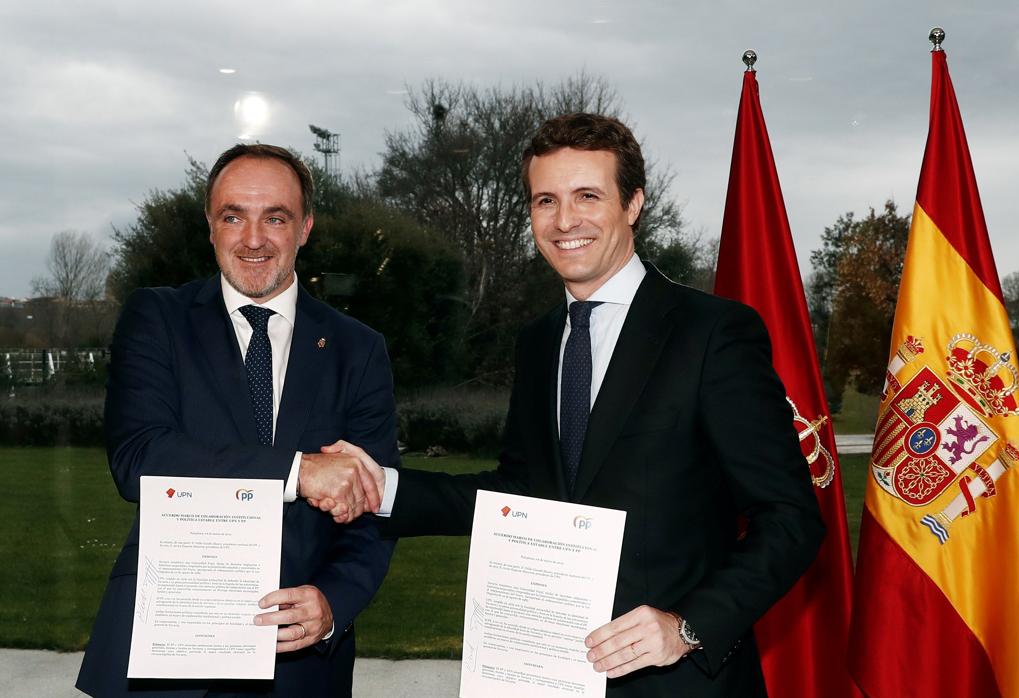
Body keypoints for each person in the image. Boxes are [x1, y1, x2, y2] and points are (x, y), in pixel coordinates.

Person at [356, 113, 825, 696]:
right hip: (548, 673)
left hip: (678, 683)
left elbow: (791, 520)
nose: (564, 220)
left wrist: (687, 627)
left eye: (587, 196)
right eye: (545, 200)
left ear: (633, 204)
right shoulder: (538, 341)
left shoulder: (712, 334)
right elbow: (521, 491)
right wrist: (382, 489)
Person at [76, 144, 397, 697]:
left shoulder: (358, 350)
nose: (253, 238)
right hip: (165, 658)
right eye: (233, 216)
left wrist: (333, 602)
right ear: (210, 225)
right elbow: (139, 459)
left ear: (305, 228)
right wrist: (300, 472)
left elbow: (375, 502)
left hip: (297, 660)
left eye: (275, 217)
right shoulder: (158, 318)